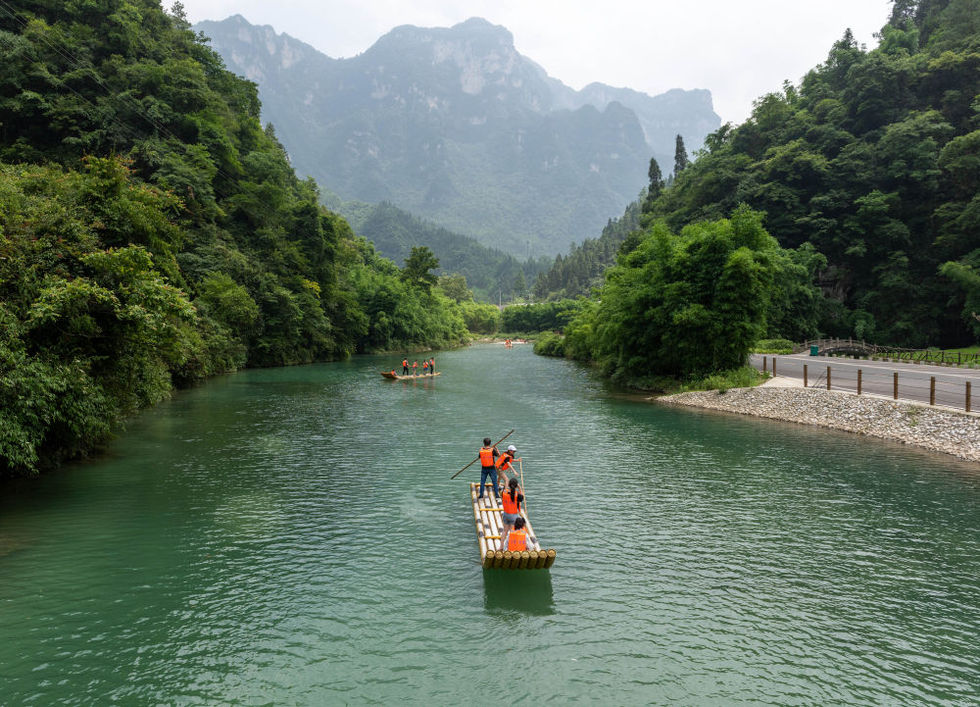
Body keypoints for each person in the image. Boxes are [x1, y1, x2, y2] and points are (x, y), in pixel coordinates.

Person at [499, 476, 525, 551]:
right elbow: (522, 497)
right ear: (516, 486)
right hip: (514, 516)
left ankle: (501, 546)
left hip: (506, 514)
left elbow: (506, 489)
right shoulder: (517, 495)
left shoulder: (504, 492)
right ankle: (510, 548)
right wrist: (520, 488)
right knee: (512, 532)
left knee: (504, 531)